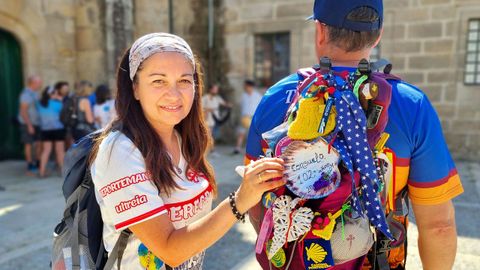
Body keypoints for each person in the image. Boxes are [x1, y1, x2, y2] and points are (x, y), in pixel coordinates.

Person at [245, 1, 464, 269]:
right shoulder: (411, 105)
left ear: (320, 31)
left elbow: (253, 200)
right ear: (378, 34)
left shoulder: (277, 97)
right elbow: (439, 226)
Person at [89, 33, 286, 269]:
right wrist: (240, 200)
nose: (174, 94)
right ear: (135, 89)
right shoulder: (120, 151)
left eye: (184, 80)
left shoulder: (183, 138)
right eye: (158, 81)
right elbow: (169, 250)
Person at [36, 82, 67, 177]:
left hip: (45, 130)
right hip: (58, 129)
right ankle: (62, 172)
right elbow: (64, 113)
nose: (57, 95)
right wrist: (60, 100)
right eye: (55, 93)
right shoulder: (58, 104)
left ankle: (41, 171)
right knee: (60, 151)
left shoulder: (39, 104)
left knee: (46, 151)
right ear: (51, 94)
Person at [17, 75, 42, 175]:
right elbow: (23, 112)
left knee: (38, 144)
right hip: (28, 123)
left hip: (36, 123)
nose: (40, 84)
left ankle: (36, 163)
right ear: (33, 83)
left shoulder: (35, 93)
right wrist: (29, 125)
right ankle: (29, 166)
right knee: (28, 144)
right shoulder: (26, 94)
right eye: (39, 82)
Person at [232, 80, 262, 155]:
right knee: (241, 133)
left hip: (254, 117)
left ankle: (255, 149)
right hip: (245, 117)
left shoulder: (257, 95)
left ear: (250, 86)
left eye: (246, 86)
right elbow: (242, 106)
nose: (244, 87)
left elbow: (261, 106)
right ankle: (237, 148)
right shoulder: (243, 95)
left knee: (254, 134)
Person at [201, 83, 231, 154]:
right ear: (210, 90)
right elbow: (200, 107)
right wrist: (208, 109)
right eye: (215, 89)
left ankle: (209, 150)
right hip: (207, 119)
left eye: (216, 89)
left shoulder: (217, 98)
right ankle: (210, 150)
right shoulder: (205, 98)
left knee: (211, 135)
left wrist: (229, 105)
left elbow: (224, 104)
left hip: (215, 120)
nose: (216, 91)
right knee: (209, 135)